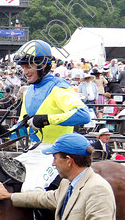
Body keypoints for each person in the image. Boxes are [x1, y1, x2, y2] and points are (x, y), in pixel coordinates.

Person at [12, 40, 91, 190]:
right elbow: (23, 129)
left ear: (42, 65)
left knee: (31, 191)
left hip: (58, 154)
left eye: (28, 66)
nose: (24, 71)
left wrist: (47, 120)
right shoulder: (28, 91)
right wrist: (3, 132)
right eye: (23, 67)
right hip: (33, 151)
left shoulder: (59, 87)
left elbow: (83, 115)